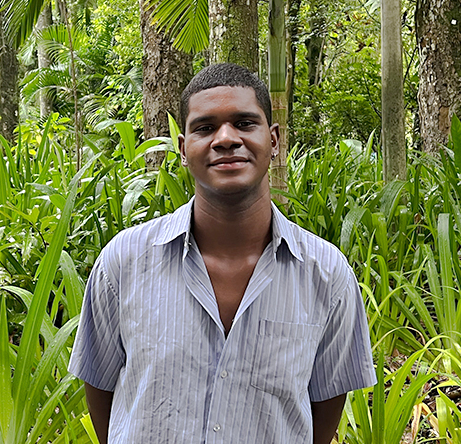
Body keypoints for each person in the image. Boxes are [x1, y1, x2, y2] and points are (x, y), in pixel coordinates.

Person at [68, 63, 375, 443]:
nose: (226, 138)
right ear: (183, 149)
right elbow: (101, 387)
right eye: (205, 127)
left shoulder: (327, 275)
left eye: (245, 123)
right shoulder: (124, 262)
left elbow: (325, 406)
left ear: (275, 140)